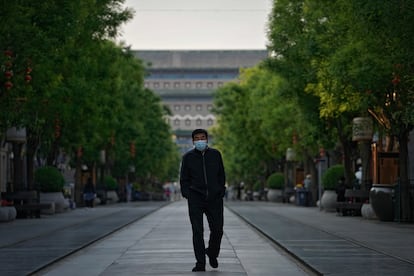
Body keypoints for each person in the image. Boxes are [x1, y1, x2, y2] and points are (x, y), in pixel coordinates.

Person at [180, 128, 226, 272]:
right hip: (196, 199)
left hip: (214, 199)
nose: (200, 140)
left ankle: (212, 253)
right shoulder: (188, 157)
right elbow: (184, 179)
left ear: (207, 139)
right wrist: (188, 194)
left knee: (217, 230)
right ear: (193, 141)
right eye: (197, 138)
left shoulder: (215, 154)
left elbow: (221, 174)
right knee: (197, 231)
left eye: (203, 138)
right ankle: (200, 263)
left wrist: (220, 190)